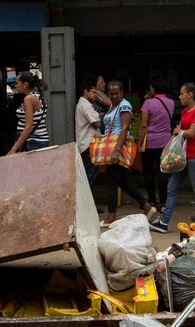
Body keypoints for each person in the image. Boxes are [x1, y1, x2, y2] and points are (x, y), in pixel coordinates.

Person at [150, 83, 195, 233]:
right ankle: (164, 222)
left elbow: (191, 133)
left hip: (194, 157)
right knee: (171, 188)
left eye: (182, 94)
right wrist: (166, 149)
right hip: (182, 158)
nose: (179, 97)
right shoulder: (185, 111)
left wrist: (179, 131)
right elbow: (176, 133)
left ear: (190, 94)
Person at [101, 80, 158, 227]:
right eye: (111, 94)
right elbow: (102, 98)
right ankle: (147, 207)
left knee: (111, 182)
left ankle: (111, 216)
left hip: (117, 148)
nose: (114, 96)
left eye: (117, 93)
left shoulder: (124, 105)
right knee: (123, 182)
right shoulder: (113, 104)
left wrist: (116, 151)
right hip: (113, 146)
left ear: (122, 93)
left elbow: (124, 129)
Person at [139, 81, 175, 208]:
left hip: (149, 142)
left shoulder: (148, 103)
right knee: (162, 171)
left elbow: (143, 125)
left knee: (148, 171)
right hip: (165, 141)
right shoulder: (171, 102)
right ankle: (163, 202)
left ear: (153, 89)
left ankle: (152, 200)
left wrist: (139, 144)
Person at [8, 71, 49, 154]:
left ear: (25, 84)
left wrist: (14, 149)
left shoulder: (28, 99)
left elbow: (28, 127)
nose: (16, 85)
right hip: (38, 141)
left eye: (17, 83)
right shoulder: (39, 96)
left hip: (33, 142)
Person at [75, 76, 102, 185]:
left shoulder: (82, 104)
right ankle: (84, 200)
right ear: (86, 91)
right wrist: (100, 117)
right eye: (94, 92)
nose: (96, 95)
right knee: (90, 176)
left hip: (85, 144)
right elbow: (97, 123)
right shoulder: (86, 106)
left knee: (88, 174)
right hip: (89, 145)